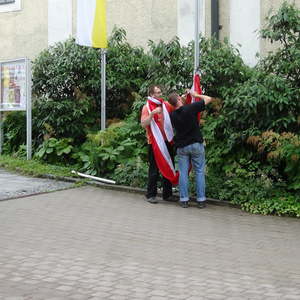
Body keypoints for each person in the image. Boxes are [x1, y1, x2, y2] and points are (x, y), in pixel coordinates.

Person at [168, 90, 214, 208]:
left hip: (182, 147)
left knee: (183, 173)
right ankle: (201, 200)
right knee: (199, 171)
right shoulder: (191, 108)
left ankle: (184, 200)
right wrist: (195, 95)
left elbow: (178, 109)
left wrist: (181, 98)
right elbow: (209, 98)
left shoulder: (172, 115)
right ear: (178, 99)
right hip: (195, 144)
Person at [141, 85, 177, 204]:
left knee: (168, 166)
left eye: (160, 92)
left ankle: (167, 194)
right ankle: (151, 194)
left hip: (167, 141)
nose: (160, 94)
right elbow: (143, 124)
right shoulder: (147, 108)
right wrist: (152, 115)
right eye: (157, 92)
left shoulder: (165, 105)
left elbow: (177, 106)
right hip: (154, 143)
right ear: (151, 94)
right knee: (154, 169)